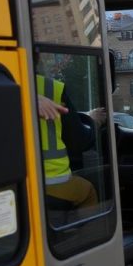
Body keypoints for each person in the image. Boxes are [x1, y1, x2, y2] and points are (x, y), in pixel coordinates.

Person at [36, 73, 104, 211]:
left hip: (16, 181)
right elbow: (78, 141)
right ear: (37, 56)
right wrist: (93, 122)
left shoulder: (3, 81)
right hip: (48, 180)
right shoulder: (51, 88)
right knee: (88, 192)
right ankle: (82, 233)